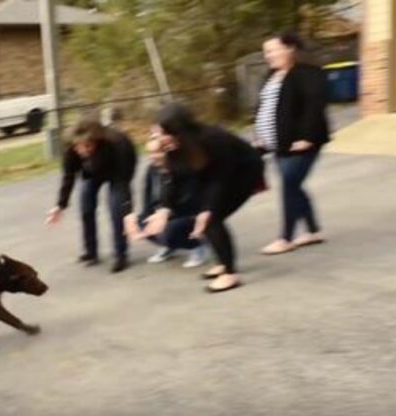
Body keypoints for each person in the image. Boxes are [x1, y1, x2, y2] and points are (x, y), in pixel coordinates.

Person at [129, 103, 263, 293]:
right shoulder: (173, 144)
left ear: (179, 131)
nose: (159, 137)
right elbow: (172, 178)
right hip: (213, 176)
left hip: (243, 172)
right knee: (208, 217)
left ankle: (230, 274)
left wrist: (208, 209)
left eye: (163, 132)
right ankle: (224, 263)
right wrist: (164, 210)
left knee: (211, 218)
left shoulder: (214, 139)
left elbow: (220, 179)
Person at [255, 32, 331, 255]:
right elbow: (265, 108)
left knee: (289, 184)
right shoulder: (271, 75)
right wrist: (259, 135)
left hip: (301, 144)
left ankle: (285, 237)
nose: (267, 55)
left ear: (289, 49)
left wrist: (306, 137)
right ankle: (313, 231)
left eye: (271, 50)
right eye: (266, 52)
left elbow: (314, 106)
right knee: (294, 185)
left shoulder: (308, 73)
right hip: (278, 144)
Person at [46, 118, 137, 273]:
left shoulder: (117, 144)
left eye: (88, 145)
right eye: (79, 146)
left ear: (97, 141)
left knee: (116, 209)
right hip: (92, 172)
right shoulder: (71, 148)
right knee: (86, 204)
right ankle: (91, 252)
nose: (83, 150)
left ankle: (121, 254)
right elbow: (68, 176)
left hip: (117, 171)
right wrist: (59, 205)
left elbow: (123, 184)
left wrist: (127, 210)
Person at [138, 139, 207, 268]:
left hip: (185, 213)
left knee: (169, 230)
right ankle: (169, 246)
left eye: (157, 152)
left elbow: (189, 200)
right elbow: (147, 192)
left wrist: (166, 214)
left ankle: (196, 245)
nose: (153, 156)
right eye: (150, 153)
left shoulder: (181, 169)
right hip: (163, 212)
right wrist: (146, 215)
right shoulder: (151, 169)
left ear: (167, 152)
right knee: (139, 222)